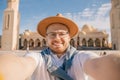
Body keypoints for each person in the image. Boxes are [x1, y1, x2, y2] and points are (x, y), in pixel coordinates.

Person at [0, 13, 120, 80]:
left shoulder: (80, 58)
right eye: (52, 34)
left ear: (70, 37)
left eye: (62, 34)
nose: (57, 38)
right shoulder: (38, 58)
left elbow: (96, 65)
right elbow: (22, 64)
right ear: (45, 38)